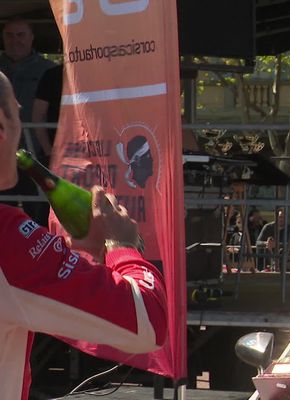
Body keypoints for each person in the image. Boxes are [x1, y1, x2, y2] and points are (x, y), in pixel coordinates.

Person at [0, 72, 167, 399]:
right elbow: (147, 322)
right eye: (16, 114)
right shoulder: (8, 242)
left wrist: (74, 260)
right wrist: (122, 247)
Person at [0, 18, 57, 226]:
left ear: (32, 37)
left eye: (20, 35)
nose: (15, 40)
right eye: (9, 35)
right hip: (2, 155)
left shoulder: (48, 70)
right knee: (4, 216)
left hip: (36, 157)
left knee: (38, 215)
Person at [32, 63, 63, 165]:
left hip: (96, 152)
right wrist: (49, 153)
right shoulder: (52, 75)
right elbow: (38, 116)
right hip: (57, 151)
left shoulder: (99, 73)